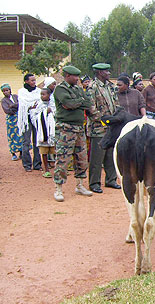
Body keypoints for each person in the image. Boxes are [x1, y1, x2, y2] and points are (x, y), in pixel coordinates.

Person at [53, 65, 93, 201]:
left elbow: (88, 103)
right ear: (67, 76)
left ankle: (80, 185)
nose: (77, 79)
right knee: (63, 158)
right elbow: (67, 104)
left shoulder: (77, 89)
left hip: (79, 128)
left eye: (78, 76)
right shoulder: (60, 89)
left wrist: (78, 102)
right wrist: (79, 102)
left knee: (81, 157)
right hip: (65, 128)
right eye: (75, 76)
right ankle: (58, 188)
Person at [87, 63, 120, 193]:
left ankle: (111, 180)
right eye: (106, 71)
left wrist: (116, 118)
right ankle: (94, 183)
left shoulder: (111, 86)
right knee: (97, 157)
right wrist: (105, 120)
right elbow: (91, 110)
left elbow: (116, 104)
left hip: (111, 128)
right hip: (98, 127)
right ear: (100, 73)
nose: (109, 73)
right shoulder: (92, 87)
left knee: (111, 155)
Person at [17, 73, 42, 172]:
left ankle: (37, 163)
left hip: (36, 117)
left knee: (37, 141)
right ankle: (27, 164)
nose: (34, 82)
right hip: (26, 118)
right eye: (32, 80)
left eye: (34, 80)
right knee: (26, 141)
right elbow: (24, 103)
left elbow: (39, 103)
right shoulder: (22, 92)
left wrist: (33, 106)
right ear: (26, 81)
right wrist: (31, 106)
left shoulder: (38, 91)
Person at [34, 88, 56, 178]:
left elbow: (57, 114)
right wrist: (44, 113)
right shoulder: (39, 105)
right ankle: (46, 169)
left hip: (52, 132)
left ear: (49, 95)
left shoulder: (53, 104)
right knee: (44, 152)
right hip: (43, 132)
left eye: (44, 94)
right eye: (41, 94)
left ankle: (58, 169)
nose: (42, 96)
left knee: (55, 151)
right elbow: (35, 116)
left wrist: (52, 112)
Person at [1, 83, 22, 161]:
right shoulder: (3, 100)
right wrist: (15, 107)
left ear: (10, 90)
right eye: (3, 91)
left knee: (20, 135)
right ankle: (13, 153)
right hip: (11, 120)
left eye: (7, 90)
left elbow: (21, 104)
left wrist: (12, 105)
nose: (5, 92)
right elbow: (7, 110)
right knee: (12, 135)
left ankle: (21, 152)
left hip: (19, 118)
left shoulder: (15, 96)